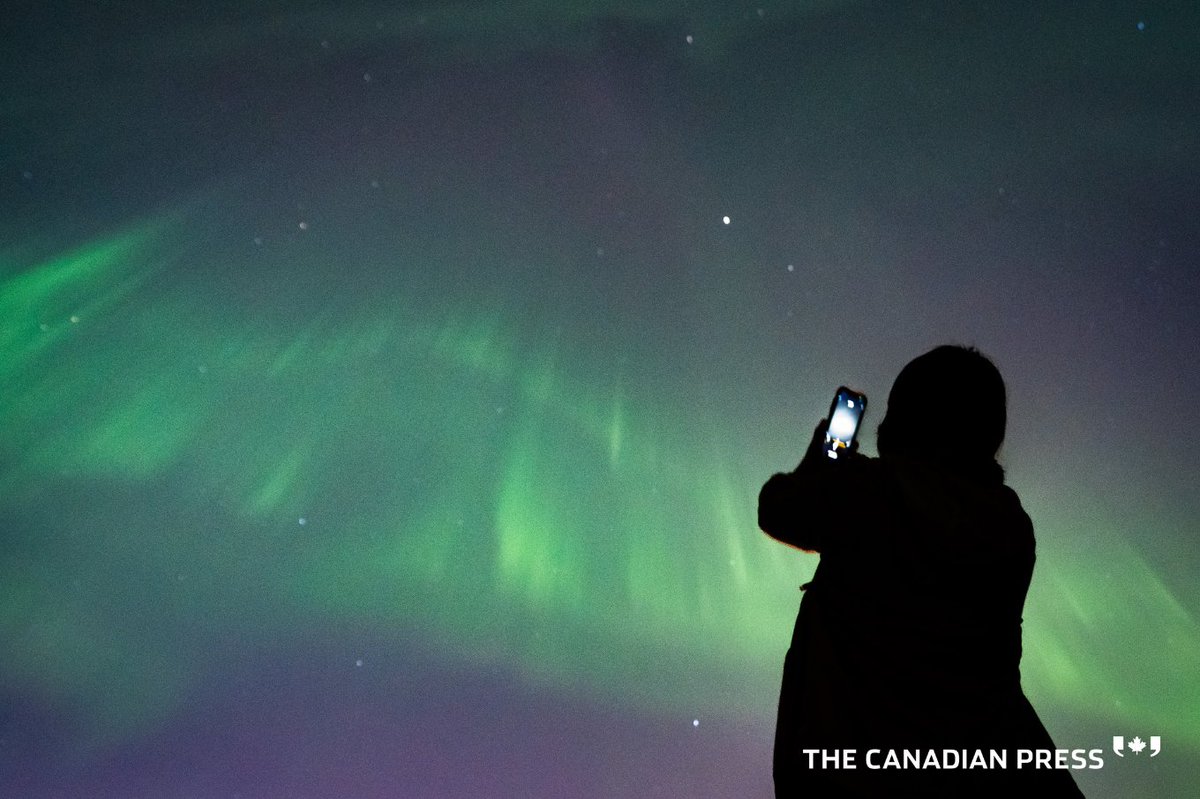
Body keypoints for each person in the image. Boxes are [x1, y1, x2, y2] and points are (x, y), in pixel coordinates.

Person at [758, 345, 1083, 798]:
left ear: (907, 420)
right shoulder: (1011, 524)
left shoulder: (869, 491)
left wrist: (825, 461)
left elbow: (779, 509)